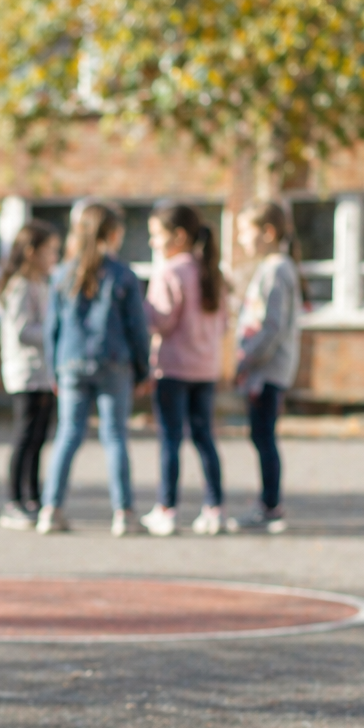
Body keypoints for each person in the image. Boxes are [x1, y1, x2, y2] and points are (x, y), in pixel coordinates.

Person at [36, 201, 152, 536]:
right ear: (113, 234)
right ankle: (124, 513)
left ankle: (51, 509)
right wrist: (143, 368)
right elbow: (137, 328)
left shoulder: (62, 274)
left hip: (71, 362)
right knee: (114, 436)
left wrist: (54, 370)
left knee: (68, 435)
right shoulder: (123, 275)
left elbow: (52, 329)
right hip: (113, 360)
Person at [139, 202, 229, 537]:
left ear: (178, 236)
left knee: (170, 440)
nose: (152, 242)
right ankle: (214, 508)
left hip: (174, 370)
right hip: (205, 369)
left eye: (156, 235)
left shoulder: (170, 272)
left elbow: (160, 321)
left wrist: (141, 309)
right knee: (205, 439)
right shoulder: (214, 273)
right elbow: (223, 324)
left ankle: (167, 509)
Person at [0, 220, 61, 530]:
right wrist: (55, 332)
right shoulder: (20, 286)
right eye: (50, 251)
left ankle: (33, 497)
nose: (54, 257)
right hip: (27, 373)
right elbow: (22, 331)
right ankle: (13, 501)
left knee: (39, 438)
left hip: (44, 372)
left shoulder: (42, 284)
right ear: (31, 252)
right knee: (25, 437)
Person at [231, 200, 302, 535]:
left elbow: (271, 326)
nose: (241, 239)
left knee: (263, 436)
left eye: (246, 231)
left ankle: (270, 506)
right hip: (264, 369)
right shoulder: (271, 268)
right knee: (261, 436)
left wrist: (247, 358)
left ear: (268, 232)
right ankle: (268, 503)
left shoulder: (277, 270)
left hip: (267, 371)